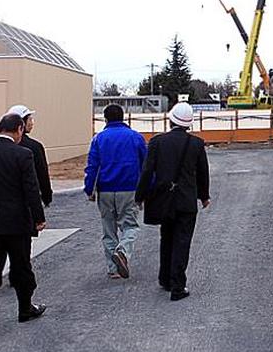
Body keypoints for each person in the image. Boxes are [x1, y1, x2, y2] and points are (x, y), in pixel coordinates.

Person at [0, 113, 47, 343]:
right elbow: (31, 189)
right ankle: (25, 308)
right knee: (21, 266)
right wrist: (38, 218)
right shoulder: (23, 154)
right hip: (17, 222)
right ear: (20, 129)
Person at [135, 102, 210, 301]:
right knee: (182, 241)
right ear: (189, 124)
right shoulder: (196, 143)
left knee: (166, 237)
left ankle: (165, 279)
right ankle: (178, 286)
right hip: (186, 201)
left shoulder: (157, 142)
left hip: (163, 200)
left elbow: (147, 171)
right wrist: (204, 196)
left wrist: (140, 197)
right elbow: (202, 172)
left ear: (170, 121)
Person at [84, 104, 147, 279]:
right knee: (130, 226)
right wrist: (147, 190)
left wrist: (89, 189)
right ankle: (123, 251)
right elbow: (146, 165)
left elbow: (92, 167)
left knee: (108, 229)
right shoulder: (135, 137)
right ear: (123, 118)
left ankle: (113, 269)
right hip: (129, 189)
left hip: (105, 190)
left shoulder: (98, 139)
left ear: (105, 119)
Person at [8, 104, 54, 207]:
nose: (32, 123)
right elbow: (42, 174)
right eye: (29, 119)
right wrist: (47, 197)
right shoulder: (35, 147)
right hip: (26, 201)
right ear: (22, 123)